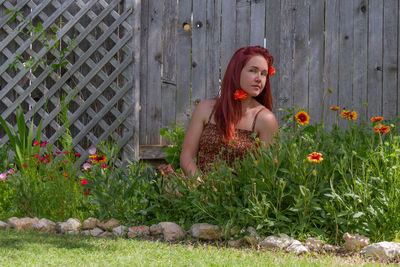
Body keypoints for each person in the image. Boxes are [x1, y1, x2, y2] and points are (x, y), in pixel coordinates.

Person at [180, 46, 279, 177]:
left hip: (239, 194)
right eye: (253, 71)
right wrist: (201, 187)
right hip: (199, 189)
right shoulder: (206, 109)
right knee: (170, 187)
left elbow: (268, 170)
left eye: (264, 74)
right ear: (236, 72)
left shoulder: (265, 119)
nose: (259, 78)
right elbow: (187, 156)